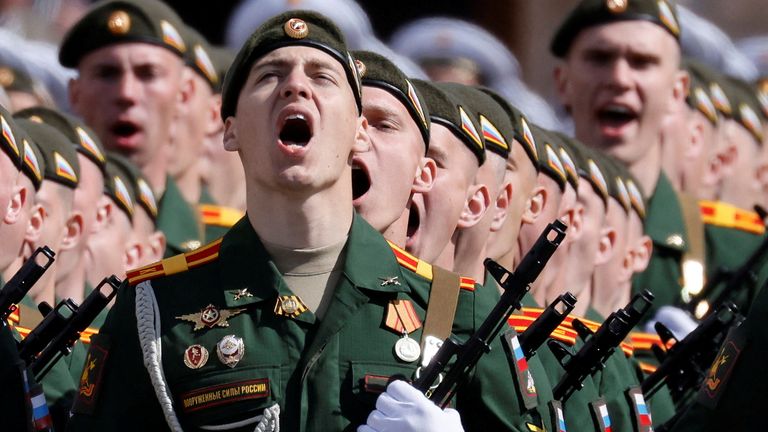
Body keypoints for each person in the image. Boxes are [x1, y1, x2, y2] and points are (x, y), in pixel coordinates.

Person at [67, 11, 511, 431]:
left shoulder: (456, 311)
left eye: (322, 76)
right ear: (230, 130)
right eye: (269, 76)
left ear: (358, 130)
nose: (295, 87)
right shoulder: (157, 308)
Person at [551, 0, 691, 321]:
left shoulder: (729, 251)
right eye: (599, 58)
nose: (619, 78)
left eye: (642, 62)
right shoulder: (519, 230)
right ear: (562, 82)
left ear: (676, 92)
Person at [61, 0, 203, 256]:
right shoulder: (43, 231)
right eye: (107, 73)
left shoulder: (220, 243)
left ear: (184, 93)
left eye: (148, 73)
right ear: (74, 94)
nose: (126, 93)